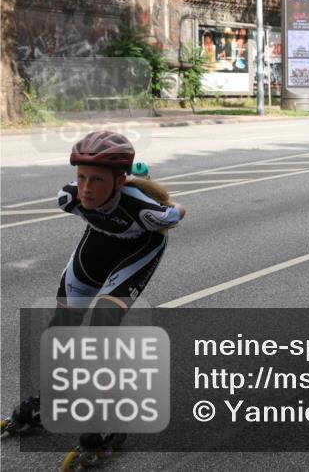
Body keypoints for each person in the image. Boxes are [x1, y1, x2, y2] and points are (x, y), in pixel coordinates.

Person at [1, 131, 185, 459]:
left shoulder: (144, 210)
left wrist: (162, 200)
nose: (85, 188)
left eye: (97, 180)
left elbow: (177, 212)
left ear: (118, 182)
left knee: (102, 325)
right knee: (61, 327)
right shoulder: (68, 198)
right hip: (96, 250)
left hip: (137, 252)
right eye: (81, 177)